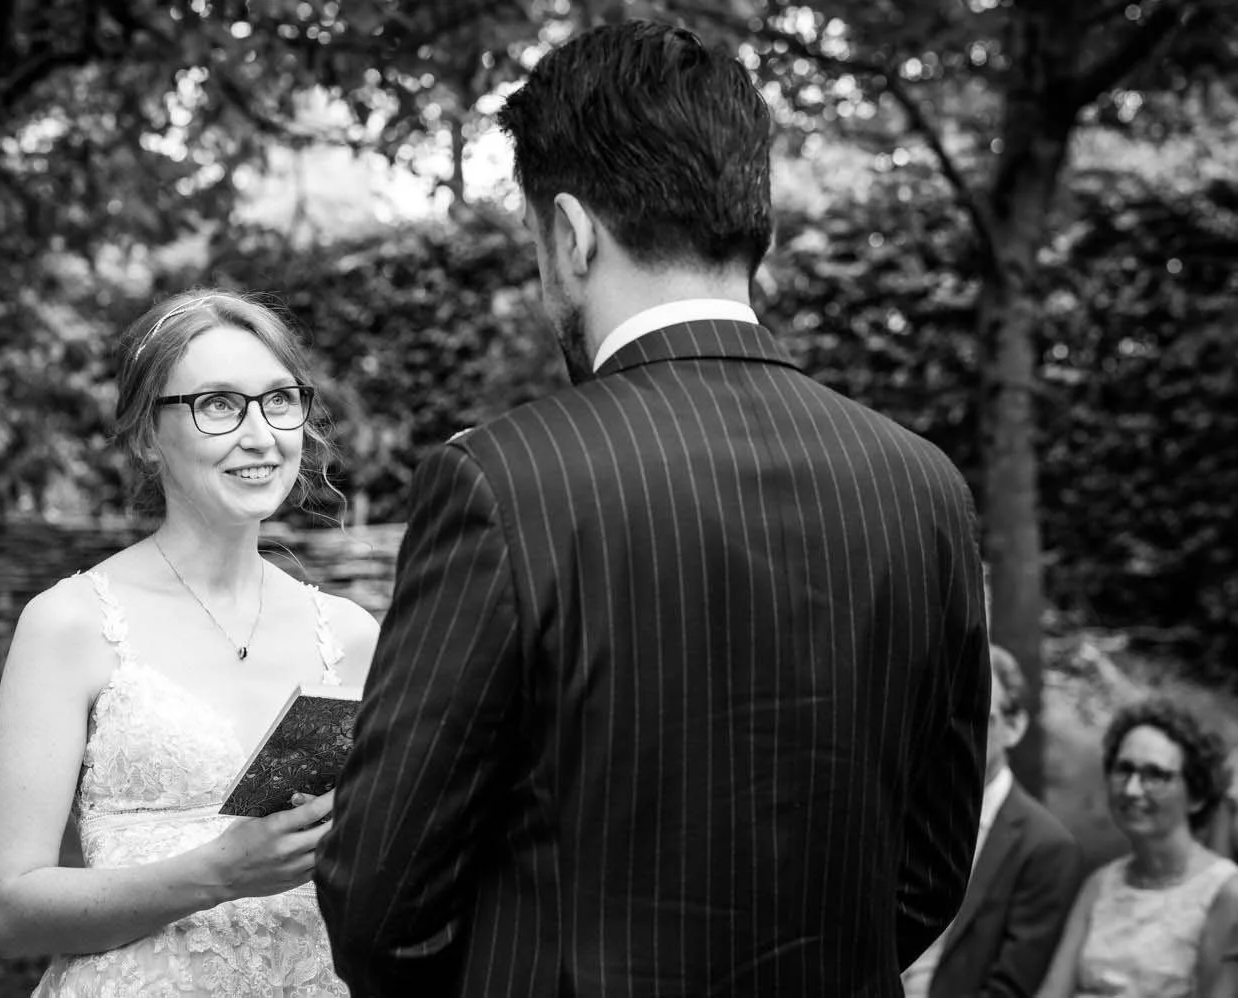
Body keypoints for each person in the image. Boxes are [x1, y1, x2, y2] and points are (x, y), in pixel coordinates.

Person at [315, 19, 991, 997]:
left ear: (571, 232)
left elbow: (382, 896)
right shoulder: (924, 484)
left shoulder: (502, 481)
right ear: (752, 212)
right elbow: (929, 869)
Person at [0, 289, 379, 996]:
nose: (260, 434)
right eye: (218, 404)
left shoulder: (349, 634)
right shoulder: (71, 623)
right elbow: (9, 911)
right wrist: (219, 873)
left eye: (279, 400)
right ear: (146, 436)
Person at [902, 645, 1082, 997]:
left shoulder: (1046, 847)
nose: (951, 733)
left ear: (1014, 727)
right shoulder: (905, 815)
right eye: (943, 714)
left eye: (973, 718)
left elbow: (1010, 988)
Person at [1036, 698, 1238, 998]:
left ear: (1196, 795)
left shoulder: (1225, 892)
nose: (1132, 789)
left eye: (1155, 775)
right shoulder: (1100, 883)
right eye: (1124, 770)